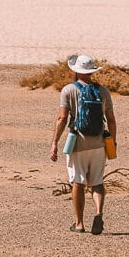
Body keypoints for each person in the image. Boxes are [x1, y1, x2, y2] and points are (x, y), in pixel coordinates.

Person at [48, 52, 117, 234]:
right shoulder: (102, 91)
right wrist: (113, 142)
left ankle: (79, 223)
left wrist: (54, 142)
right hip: (99, 142)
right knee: (97, 182)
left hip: (78, 141)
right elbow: (110, 119)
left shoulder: (69, 90)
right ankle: (98, 213)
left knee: (77, 181)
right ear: (92, 71)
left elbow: (62, 118)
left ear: (77, 71)